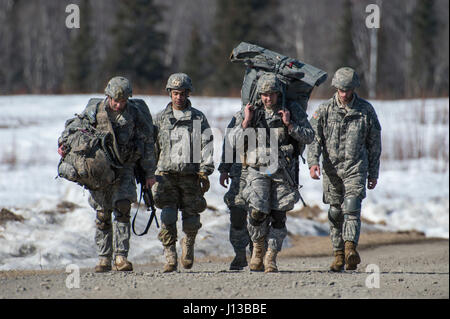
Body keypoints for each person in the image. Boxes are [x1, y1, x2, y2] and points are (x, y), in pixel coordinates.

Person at [58, 76, 157, 272]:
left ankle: (121, 257)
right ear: (108, 96)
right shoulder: (95, 111)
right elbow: (73, 129)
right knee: (102, 214)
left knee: (122, 208)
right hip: (101, 170)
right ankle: (104, 258)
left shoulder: (135, 114)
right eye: (115, 100)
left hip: (126, 166)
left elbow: (147, 145)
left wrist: (149, 173)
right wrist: (64, 145)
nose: (119, 105)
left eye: (123, 101)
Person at [232, 73, 315, 273]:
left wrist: (290, 124)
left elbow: (310, 136)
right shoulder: (250, 111)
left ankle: (271, 256)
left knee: (278, 216)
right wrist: (246, 122)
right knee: (257, 212)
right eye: (264, 95)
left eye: (272, 94)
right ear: (259, 95)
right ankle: (258, 249)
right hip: (258, 168)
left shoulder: (291, 110)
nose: (268, 99)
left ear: (279, 94)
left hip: (283, 171)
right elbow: (233, 143)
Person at [307, 67, 382, 271]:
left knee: (351, 207)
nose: (344, 94)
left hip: (356, 167)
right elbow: (314, 139)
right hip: (331, 170)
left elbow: (374, 144)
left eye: (347, 90)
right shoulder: (323, 110)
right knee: (334, 212)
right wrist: (313, 162)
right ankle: (338, 254)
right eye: (340, 89)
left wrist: (373, 173)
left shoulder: (365, 110)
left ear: (353, 89)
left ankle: (350, 250)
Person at [152, 73, 214, 273]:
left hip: (190, 175)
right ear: (170, 93)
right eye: (175, 93)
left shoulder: (197, 117)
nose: (178, 97)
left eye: (182, 93)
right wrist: (148, 172)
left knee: (191, 217)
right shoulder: (159, 119)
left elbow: (207, 144)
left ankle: (188, 244)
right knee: (168, 215)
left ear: (188, 93)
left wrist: (205, 170)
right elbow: (151, 148)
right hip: (165, 175)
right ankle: (169, 255)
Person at [219, 112, 252, 270]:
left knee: (259, 216)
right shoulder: (239, 117)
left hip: (264, 174)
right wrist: (224, 169)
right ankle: (240, 254)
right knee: (237, 215)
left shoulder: (274, 113)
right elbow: (229, 144)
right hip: (238, 174)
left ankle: (258, 253)